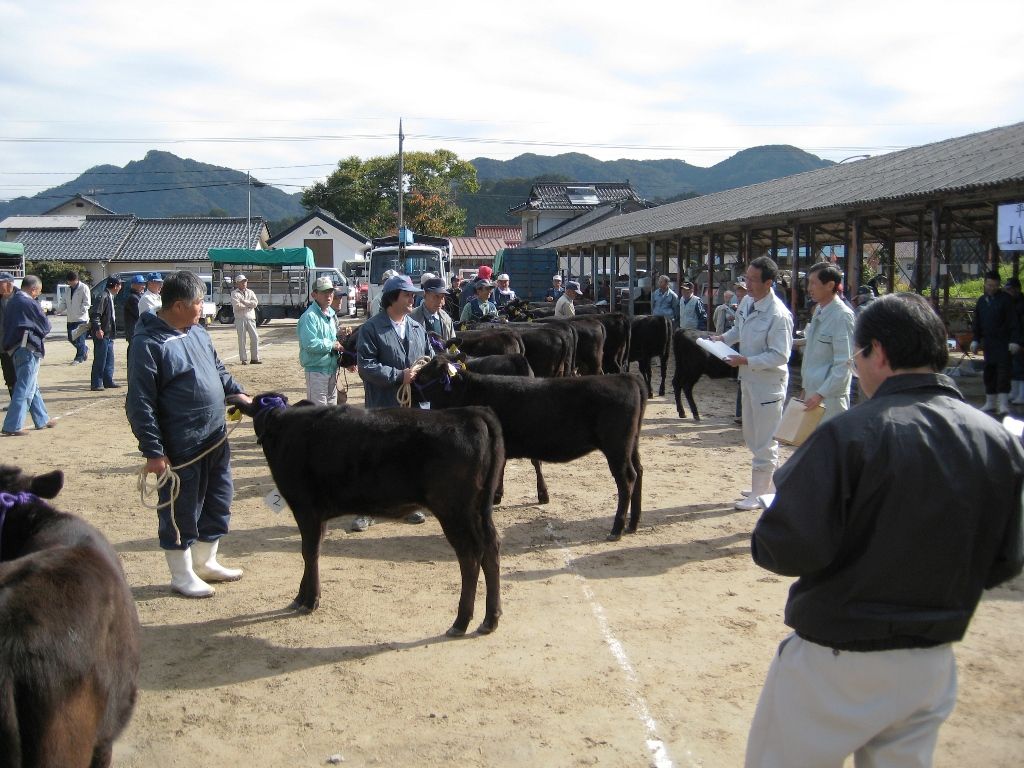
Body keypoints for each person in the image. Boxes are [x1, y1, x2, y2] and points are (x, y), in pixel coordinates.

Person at [746, 292, 1024, 768]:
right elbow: (1006, 559)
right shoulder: (997, 439)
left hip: (838, 657)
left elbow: (785, 547)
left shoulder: (850, 434)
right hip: (931, 661)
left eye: (857, 357)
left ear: (877, 352)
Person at [127, 270, 252, 598]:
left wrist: (240, 396)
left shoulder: (197, 332)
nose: (203, 308)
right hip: (181, 446)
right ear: (179, 305)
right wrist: (153, 451)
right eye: (199, 302)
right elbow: (140, 401)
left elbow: (218, 370)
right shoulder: (148, 344)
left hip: (215, 437)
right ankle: (181, 575)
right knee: (179, 509)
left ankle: (205, 562)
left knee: (219, 500)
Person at [355, 273, 433, 531]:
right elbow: (366, 367)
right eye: (408, 295)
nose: (413, 298)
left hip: (414, 408)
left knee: (409, 458)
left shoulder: (417, 328)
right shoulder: (371, 329)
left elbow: (429, 359)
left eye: (413, 295)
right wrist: (400, 375)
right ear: (392, 298)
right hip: (383, 405)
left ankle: (406, 506)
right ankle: (366, 510)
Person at [716, 256, 793, 509]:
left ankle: (760, 494)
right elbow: (739, 329)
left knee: (765, 439)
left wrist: (746, 360)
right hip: (748, 379)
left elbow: (780, 355)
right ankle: (766, 486)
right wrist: (722, 339)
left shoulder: (778, 314)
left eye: (752, 279)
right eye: (746, 278)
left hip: (768, 383)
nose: (747, 284)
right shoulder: (747, 302)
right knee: (751, 435)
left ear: (769, 282)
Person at [798, 262, 855, 422]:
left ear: (830, 285)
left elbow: (844, 364)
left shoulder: (842, 316)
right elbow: (811, 352)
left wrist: (820, 394)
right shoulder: (819, 310)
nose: (809, 288)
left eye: (814, 283)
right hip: (813, 393)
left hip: (830, 398)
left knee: (830, 444)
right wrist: (806, 388)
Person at [1, 275, 57, 435]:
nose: (37, 294)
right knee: (24, 387)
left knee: (31, 384)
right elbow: (45, 324)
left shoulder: (13, 301)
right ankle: (12, 425)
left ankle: (42, 418)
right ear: (33, 289)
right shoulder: (27, 302)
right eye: (38, 291)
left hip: (15, 347)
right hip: (27, 346)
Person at [971, 270, 1021, 415]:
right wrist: (975, 339)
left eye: (994, 285)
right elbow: (977, 322)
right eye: (989, 285)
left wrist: (1014, 341)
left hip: (1004, 344)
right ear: (985, 284)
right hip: (989, 344)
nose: (991, 288)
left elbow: (1014, 322)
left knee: (1003, 373)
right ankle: (990, 403)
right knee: (989, 373)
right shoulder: (981, 301)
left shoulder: (1006, 300)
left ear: (999, 285)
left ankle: (1004, 404)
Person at [298, 277, 342, 406]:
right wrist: (332, 345)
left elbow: (332, 338)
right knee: (318, 413)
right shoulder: (309, 317)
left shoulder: (331, 314)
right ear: (314, 295)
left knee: (331, 412)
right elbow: (310, 343)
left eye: (330, 292)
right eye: (324, 292)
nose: (328, 296)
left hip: (331, 369)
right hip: (316, 371)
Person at [88, 274, 123, 391]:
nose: (120, 287)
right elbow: (95, 314)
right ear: (115, 286)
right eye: (119, 285)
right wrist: (98, 328)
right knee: (100, 358)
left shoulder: (109, 296)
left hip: (109, 333)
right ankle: (96, 383)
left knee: (109, 358)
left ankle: (108, 380)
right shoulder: (103, 296)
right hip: (102, 332)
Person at [411, 276, 455, 342]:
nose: (440, 301)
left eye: (442, 297)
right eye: (436, 296)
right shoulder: (411, 318)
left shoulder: (446, 319)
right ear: (425, 295)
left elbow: (452, 342)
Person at [61, 270, 91, 365]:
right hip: (70, 318)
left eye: (72, 281)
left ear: (77, 280)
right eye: (69, 281)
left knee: (79, 339)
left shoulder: (84, 288)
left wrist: (81, 311)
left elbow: (87, 303)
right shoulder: (67, 289)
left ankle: (79, 358)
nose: (70, 283)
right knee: (71, 338)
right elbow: (64, 302)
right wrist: (58, 309)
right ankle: (84, 349)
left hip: (81, 319)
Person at [230, 274, 261, 364]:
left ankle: (254, 358)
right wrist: (248, 305)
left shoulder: (250, 292)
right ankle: (243, 359)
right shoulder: (234, 293)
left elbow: (255, 303)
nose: (244, 283)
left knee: (255, 337)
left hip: (250, 318)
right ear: (237, 283)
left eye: (245, 281)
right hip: (240, 318)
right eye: (242, 282)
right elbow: (237, 306)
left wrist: (244, 302)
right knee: (242, 339)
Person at [1004, 276, 1024, 405]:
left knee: (1021, 369)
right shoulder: (1010, 303)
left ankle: (1021, 395)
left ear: (1017, 289)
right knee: (1012, 368)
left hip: (1020, 341)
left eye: (1011, 289)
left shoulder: (1021, 305)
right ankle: (1014, 392)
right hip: (1011, 340)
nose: (1009, 292)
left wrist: (1021, 343)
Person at [0, 271, 16, 404]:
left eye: (1, 283)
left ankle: (20, 403)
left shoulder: (20, 298)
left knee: (19, 375)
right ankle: (14, 402)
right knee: (8, 376)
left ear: (9, 284)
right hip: (2, 345)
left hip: (16, 344)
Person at [124, 274, 147, 345]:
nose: (143, 286)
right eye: (141, 284)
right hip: (134, 331)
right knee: (133, 351)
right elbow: (139, 314)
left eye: (144, 284)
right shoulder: (133, 298)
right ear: (133, 285)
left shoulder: (138, 296)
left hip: (136, 331)